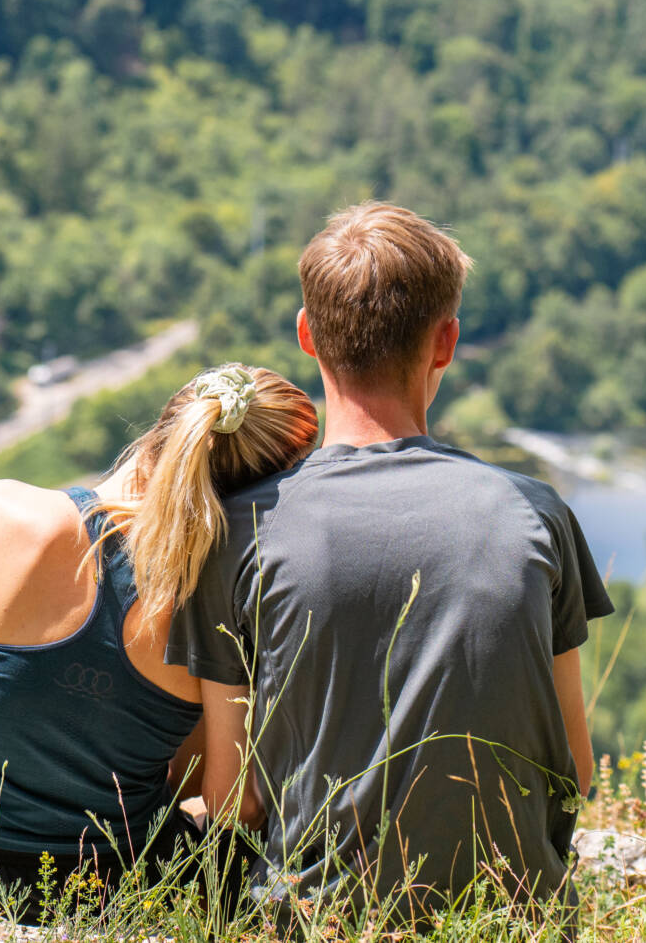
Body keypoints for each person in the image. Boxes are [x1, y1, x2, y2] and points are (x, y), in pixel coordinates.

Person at [168, 202, 615, 920]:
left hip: (319, 926)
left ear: (307, 337)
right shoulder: (536, 512)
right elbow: (574, 764)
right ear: (447, 343)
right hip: (516, 923)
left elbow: (236, 801)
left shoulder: (242, 533)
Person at [0, 363, 319, 919]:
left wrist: (5, 824)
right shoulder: (209, 607)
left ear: (163, 429)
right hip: (113, 891)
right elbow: (231, 805)